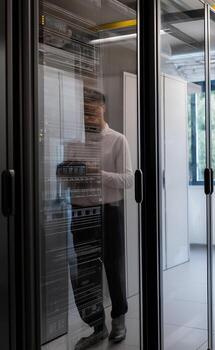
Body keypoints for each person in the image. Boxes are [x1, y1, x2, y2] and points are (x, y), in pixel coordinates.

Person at [60, 88, 133, 350]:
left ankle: (119, 320)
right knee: (84, 273)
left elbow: (128, 180)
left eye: (93, 109)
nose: (88, 114)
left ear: (103, 109)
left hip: (108, 212)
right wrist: (67, 176)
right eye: (84, 110)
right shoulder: (72, 142)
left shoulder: (117, 140)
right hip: (80, 212)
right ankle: (96, 326)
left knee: (113, 268)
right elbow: (65, 179)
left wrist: (95, 172)